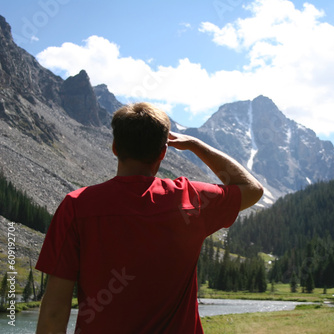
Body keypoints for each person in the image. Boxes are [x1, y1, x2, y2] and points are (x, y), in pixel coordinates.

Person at [35, 102, 264, 333]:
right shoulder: (190, 199)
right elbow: (252, 189)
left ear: (115, 147)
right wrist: (196, 145)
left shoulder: (76, 206)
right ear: (163, 152)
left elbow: (54, 313)